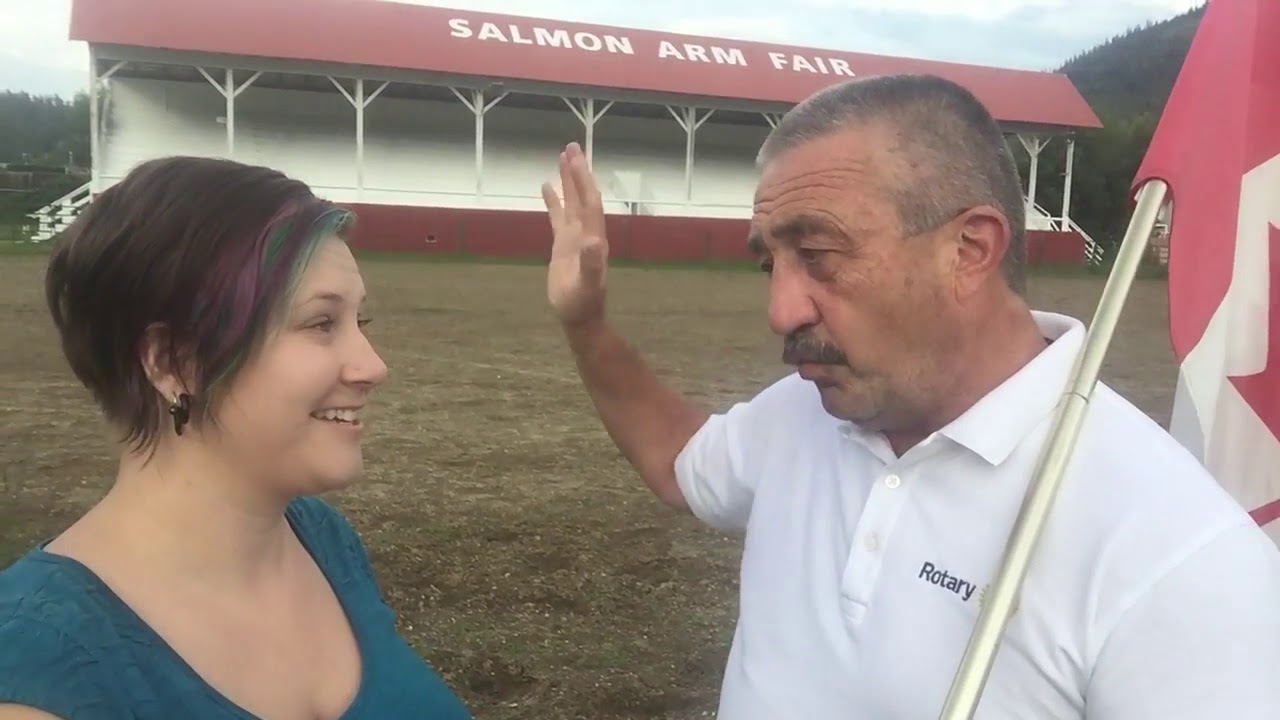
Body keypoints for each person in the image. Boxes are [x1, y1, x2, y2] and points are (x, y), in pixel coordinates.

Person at [540, 74, 1280, 719]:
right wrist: (585, 324)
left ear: (970, 250)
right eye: (771, 265)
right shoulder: (802, 412)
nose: (781, 311)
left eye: (819, 255)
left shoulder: (1182, 561)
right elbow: (682, 464)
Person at [0, 157, 471, 720]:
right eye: (321, 323)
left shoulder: (322, 541)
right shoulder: (39, 671)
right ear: (174, 363)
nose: (373, 367)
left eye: (359, 323)